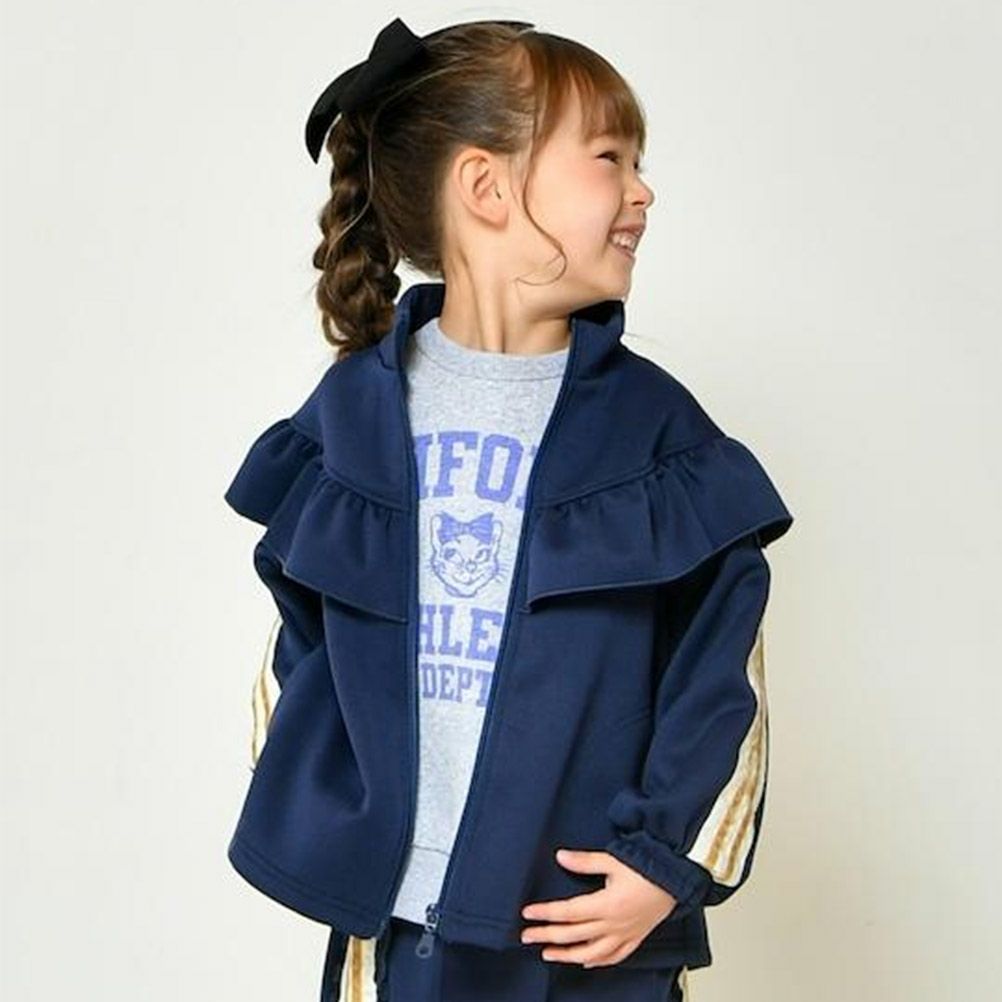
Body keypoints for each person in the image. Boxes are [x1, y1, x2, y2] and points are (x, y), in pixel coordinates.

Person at [225, 17, 794, 1002]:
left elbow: (722, 671)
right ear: (487, 189)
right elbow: (297, 646)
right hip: (395, 926)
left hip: (582, 926)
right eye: (610, 158)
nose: (643, 190)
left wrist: (665, 865)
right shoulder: (352, 416)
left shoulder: (654, 429)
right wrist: (327, 826)